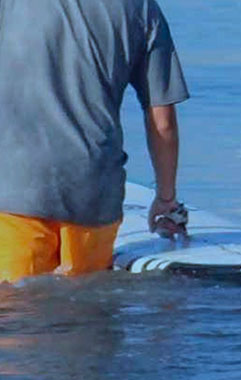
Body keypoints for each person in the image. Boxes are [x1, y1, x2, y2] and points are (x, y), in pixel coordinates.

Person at [0, 0, 189, 283]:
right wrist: (165, 199)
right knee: (86, 311)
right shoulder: (141, 8)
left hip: (17, 184)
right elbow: (163, 121)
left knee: (18, 307)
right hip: (94, 189)